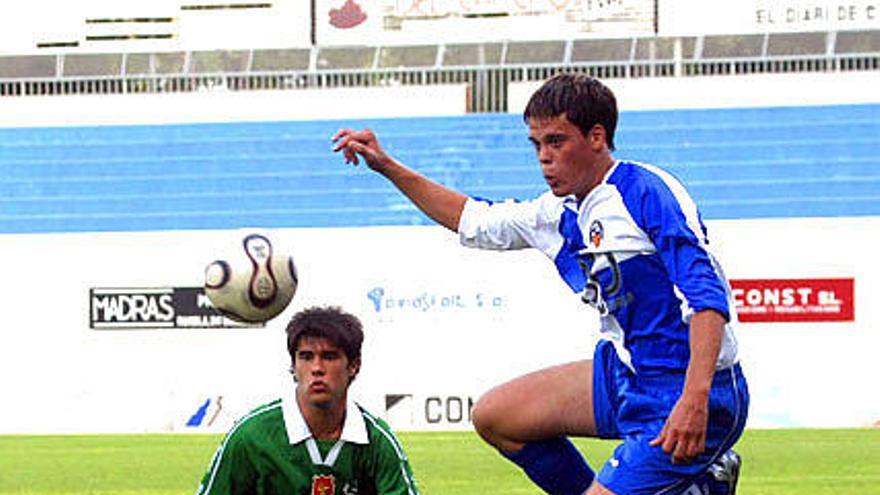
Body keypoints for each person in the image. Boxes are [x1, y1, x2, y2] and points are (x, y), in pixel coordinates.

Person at [332, 73, 749, 495]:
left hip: (693, 389)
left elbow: (705, 296)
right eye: (537, 145)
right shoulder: (556, 213)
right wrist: (386, 166)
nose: (544, 158)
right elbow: (474, 221)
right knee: (497, 416)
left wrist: (694, 398)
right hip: (627, 373)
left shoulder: (646, 192)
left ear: (597, 137)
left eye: (556, 141)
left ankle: (703, 482)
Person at [196, 306, 421, 495]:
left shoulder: (377, 442)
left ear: (354, 366)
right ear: (293, 366)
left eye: (329, 356)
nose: (316, 368)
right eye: (306, 357)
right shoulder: (251, 437)